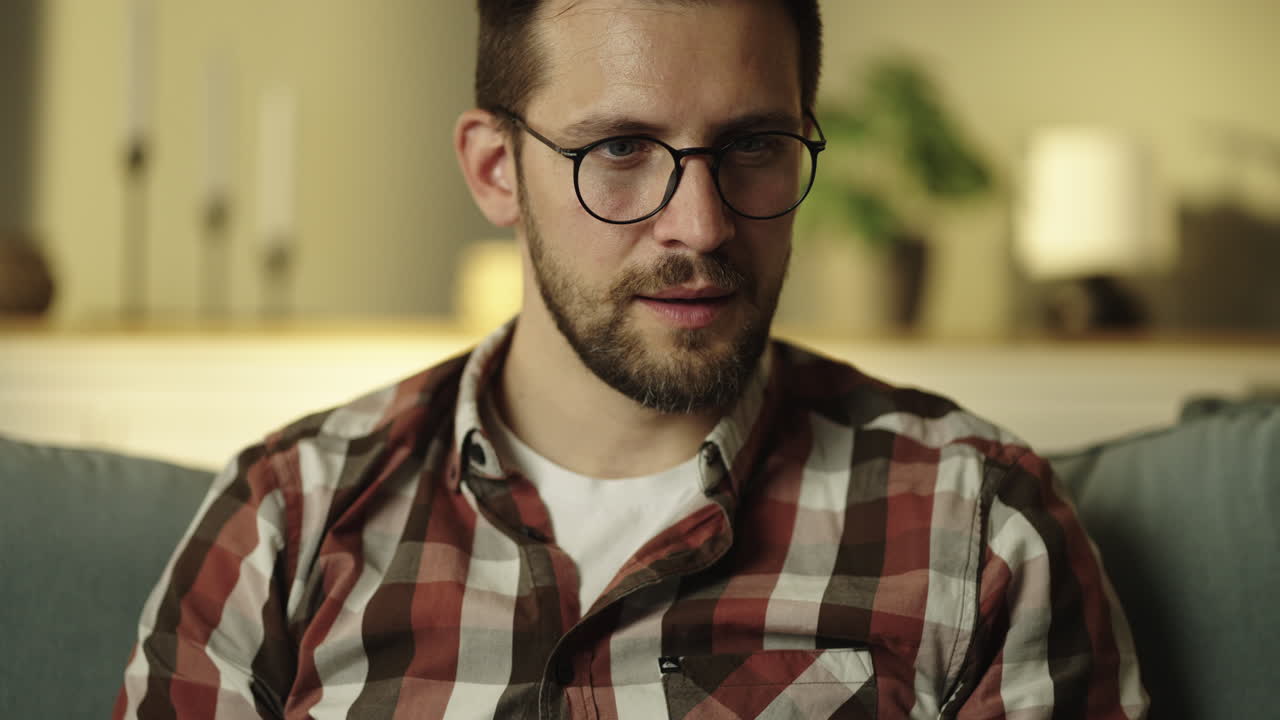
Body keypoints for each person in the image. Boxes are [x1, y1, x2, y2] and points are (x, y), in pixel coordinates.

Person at [116, 1, 1147, 717]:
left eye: (750, 145)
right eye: (618, 149)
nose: (696, 226)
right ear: (493, 169)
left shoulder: (975, 527)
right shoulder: (284, 523)